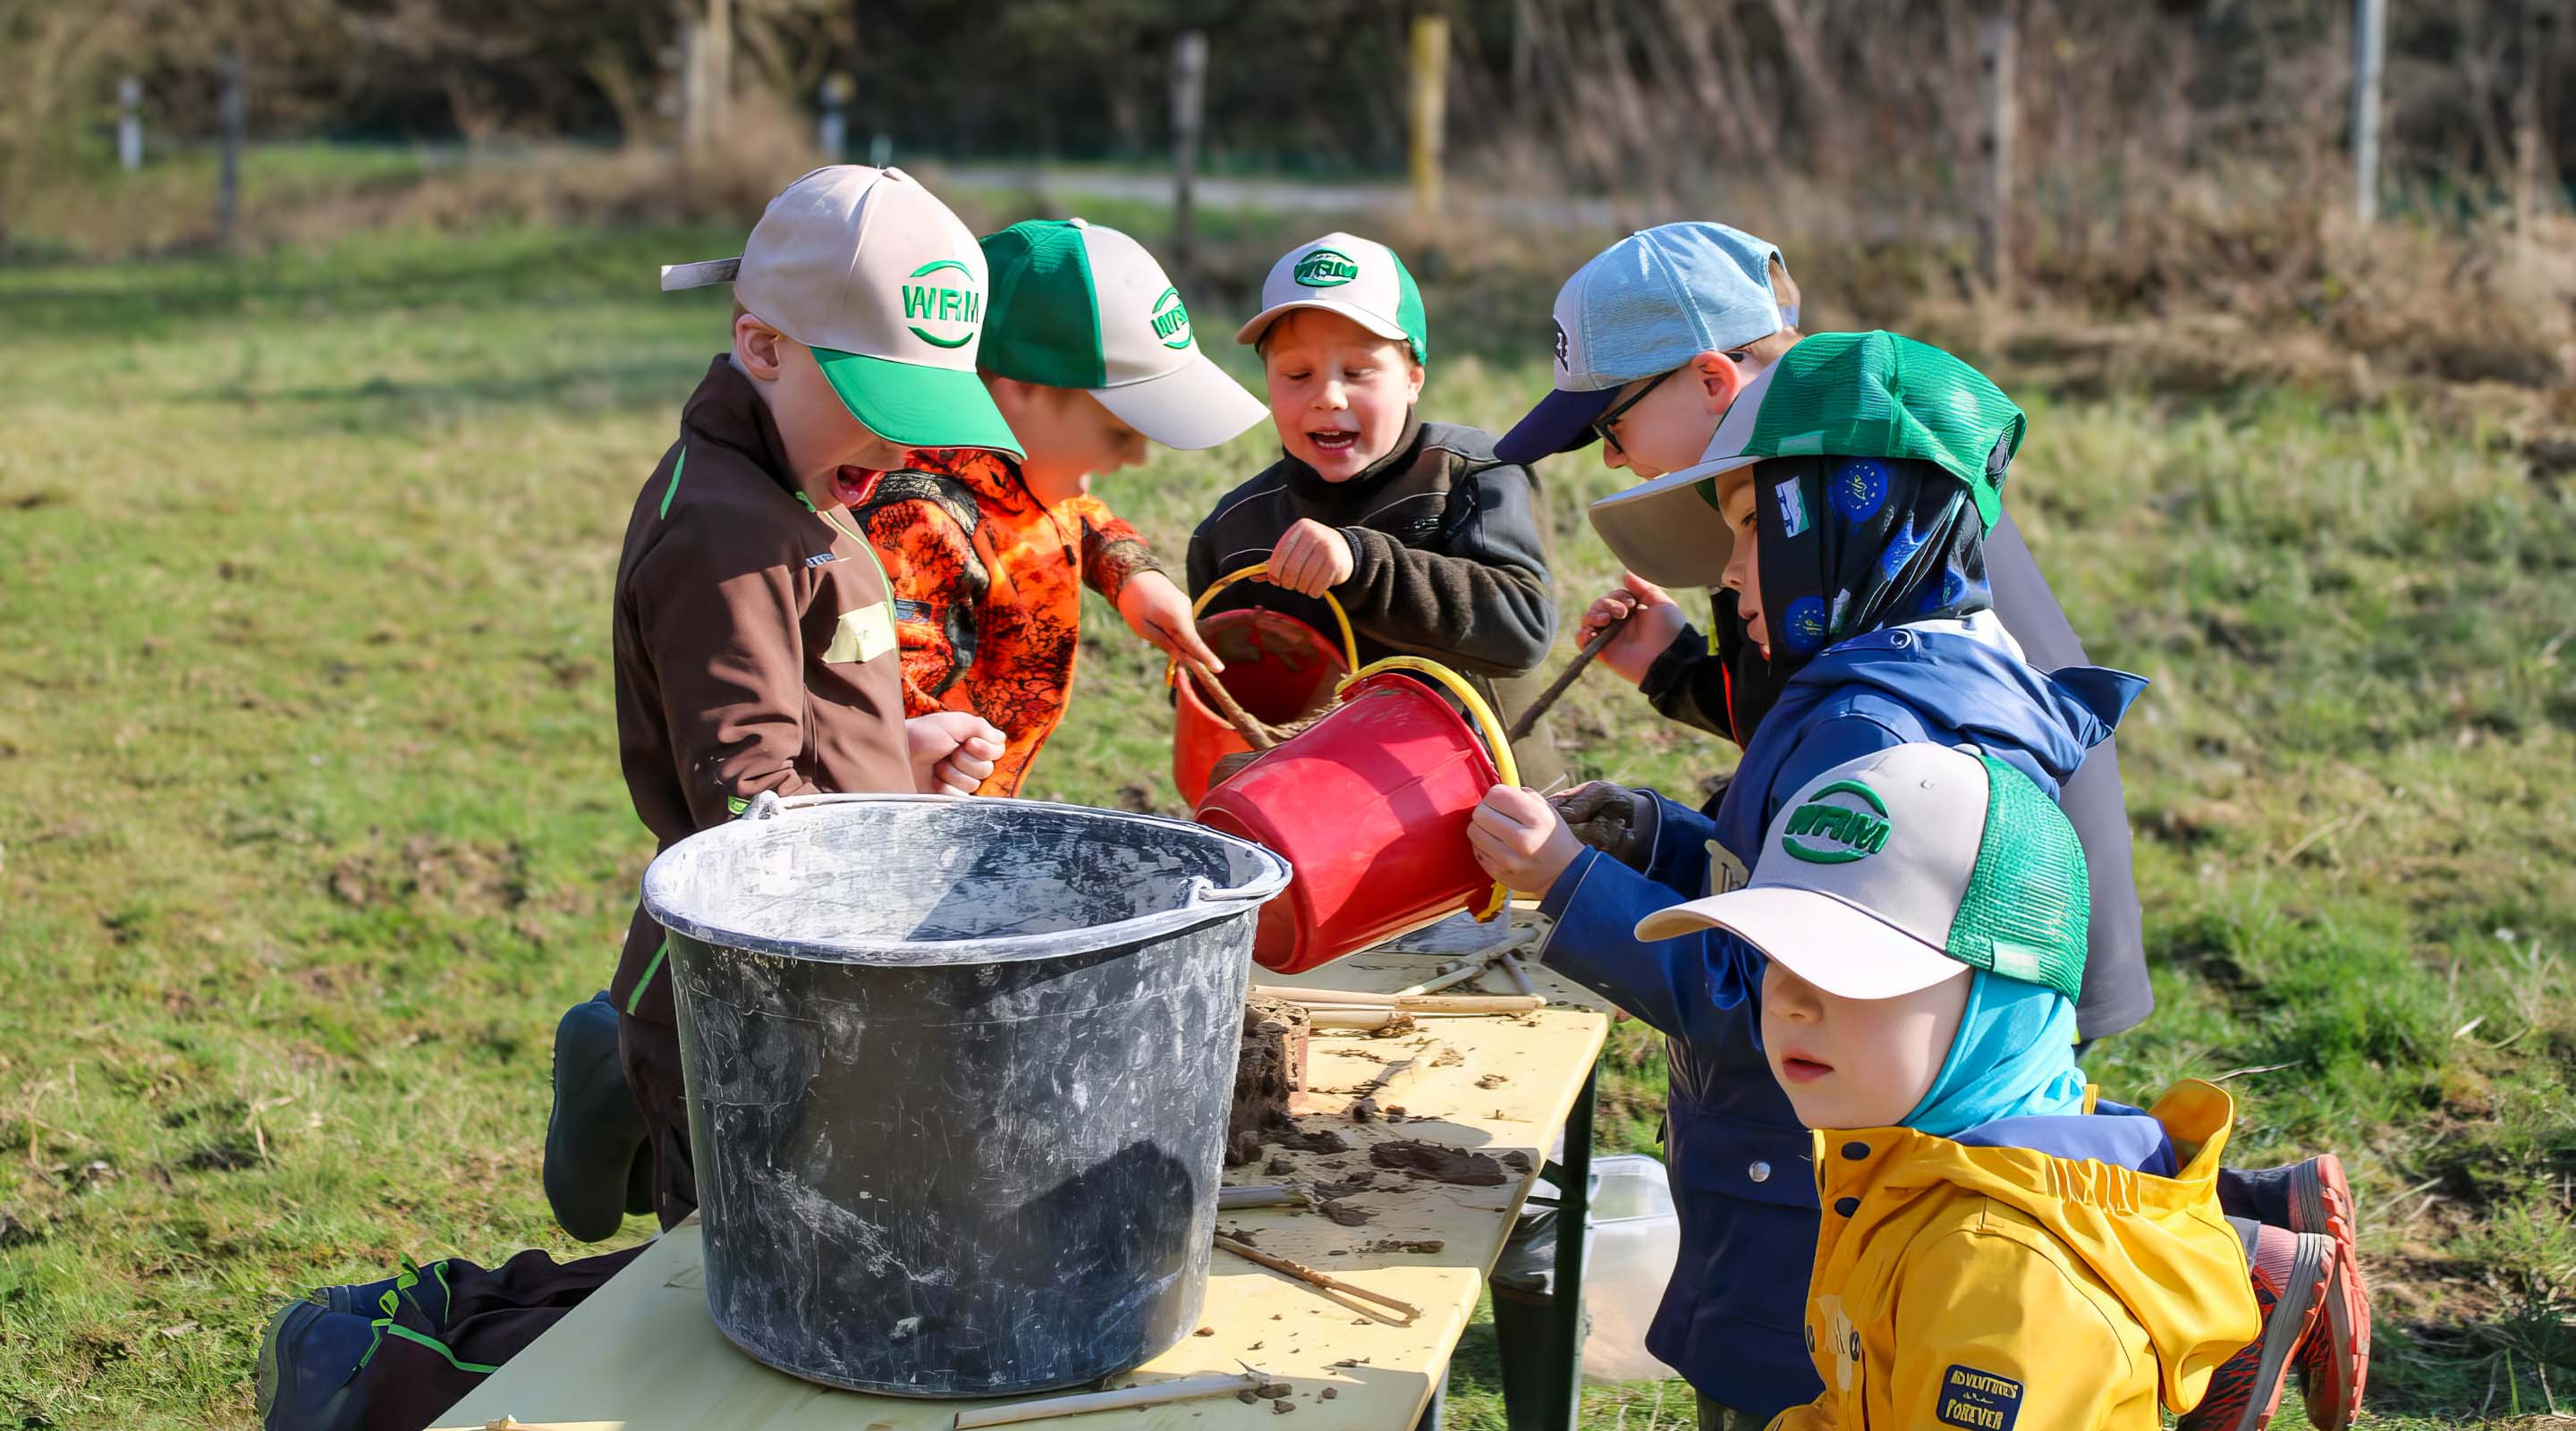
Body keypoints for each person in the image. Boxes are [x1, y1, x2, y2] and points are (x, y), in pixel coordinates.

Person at [1468, 332, 2367, 1431]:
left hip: (1813, 1199)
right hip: (1833, 1184)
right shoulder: (1882, 680)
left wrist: (1567, 882)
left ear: (1847, 516)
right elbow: (1785, 887)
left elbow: (1780, 988)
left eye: (1752, 528)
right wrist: (1651, 834)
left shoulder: (1874, 724)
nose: (1731, 570)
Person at [256, 165, 1027, 1431]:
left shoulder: (806, 494)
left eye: (921, 408)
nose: (901, 446)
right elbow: (748, 811)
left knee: (761, 1293)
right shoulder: (722, 534)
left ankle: (458, 1271)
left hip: (827, 978)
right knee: (726, 1312)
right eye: (875, 402)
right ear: (759, 344)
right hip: (750, 1006)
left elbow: (817, 713)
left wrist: (908, 747)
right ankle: (385, 1375)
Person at [1492, 222, 2153, 1045]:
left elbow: (1865, 741)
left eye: (1611, 427)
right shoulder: (1805, 505)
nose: (1614, 461)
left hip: (1980, 953)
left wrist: (1586, 885)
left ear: (1709, 378)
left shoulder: (1856, 504)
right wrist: (1679, 671)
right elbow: (1800, 722)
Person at [1635, 741, 2280, 1430]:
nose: (1788, 999)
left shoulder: (2003, 1278)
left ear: (2001, 1002)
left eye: (1849, 962)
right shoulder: (1916, 1165)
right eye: (1770, 953)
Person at [852, 217, 1264, 796]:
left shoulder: (1028, 473)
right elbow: (891, 723)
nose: (1140, 459)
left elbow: (1079, 517)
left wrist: (1131, 577)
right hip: (927, 825)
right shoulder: (918, 525)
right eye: (1121, 435)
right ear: (1020, 388)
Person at [1188, 232, 1563, 784]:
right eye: (1297, 375)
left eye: (1359, 372)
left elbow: (1522, 628)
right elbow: (1214, 702)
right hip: (1320, 827)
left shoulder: (1475, 472)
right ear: (1267, 382)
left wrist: (1364, 564)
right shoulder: (1235, 531)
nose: (1329, 397)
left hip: (1498, 819)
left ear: (1414, 378)